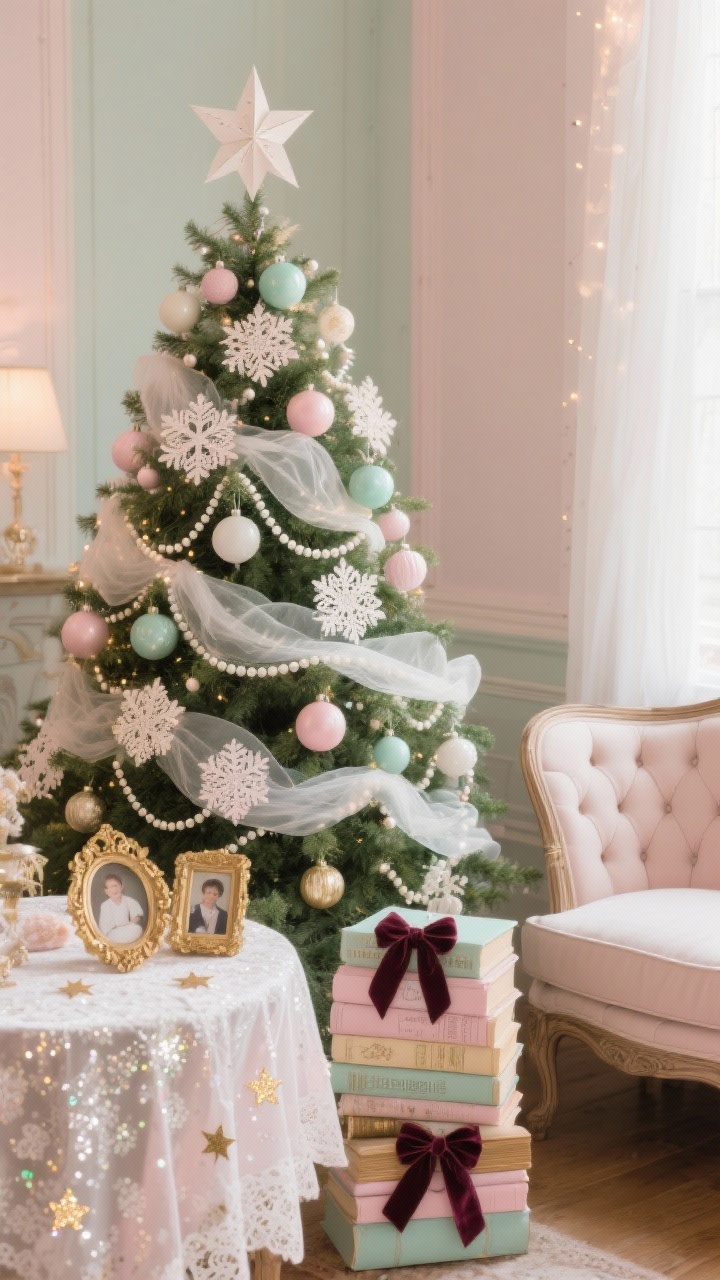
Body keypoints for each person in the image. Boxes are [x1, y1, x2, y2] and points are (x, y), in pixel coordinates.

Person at [97, 871, 144, 943]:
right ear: (106, 891)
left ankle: (126, 943)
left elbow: (138, 916)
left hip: (127, 928)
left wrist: (129, 923)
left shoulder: (129, 900)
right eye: (110, 887)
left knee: (137, 929)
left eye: (115, 886)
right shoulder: (105, 905)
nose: (114, 890)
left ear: (122, 887)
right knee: (111, 936)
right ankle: (120, 944)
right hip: (114, 931)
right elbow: (104, 926)